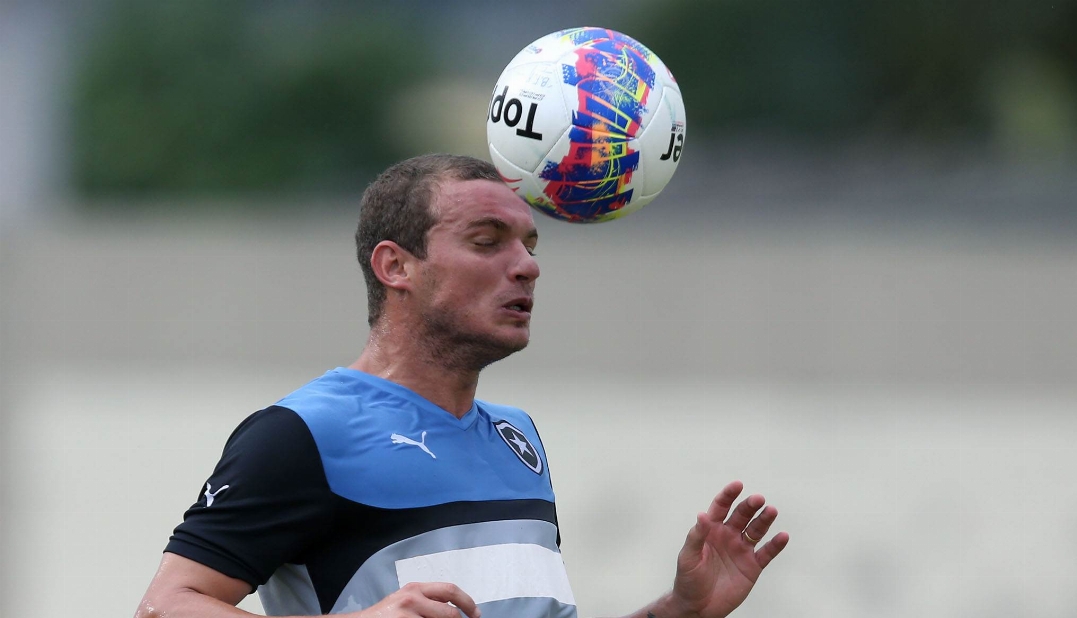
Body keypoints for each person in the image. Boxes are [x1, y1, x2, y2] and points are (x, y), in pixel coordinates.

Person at [135, 154, 789, 618]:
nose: (527, 265)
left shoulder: (516, 437)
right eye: (487, 241)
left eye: (531, 245)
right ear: (396, 266)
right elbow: (166, 606)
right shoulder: (305, 433)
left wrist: (679, 611)